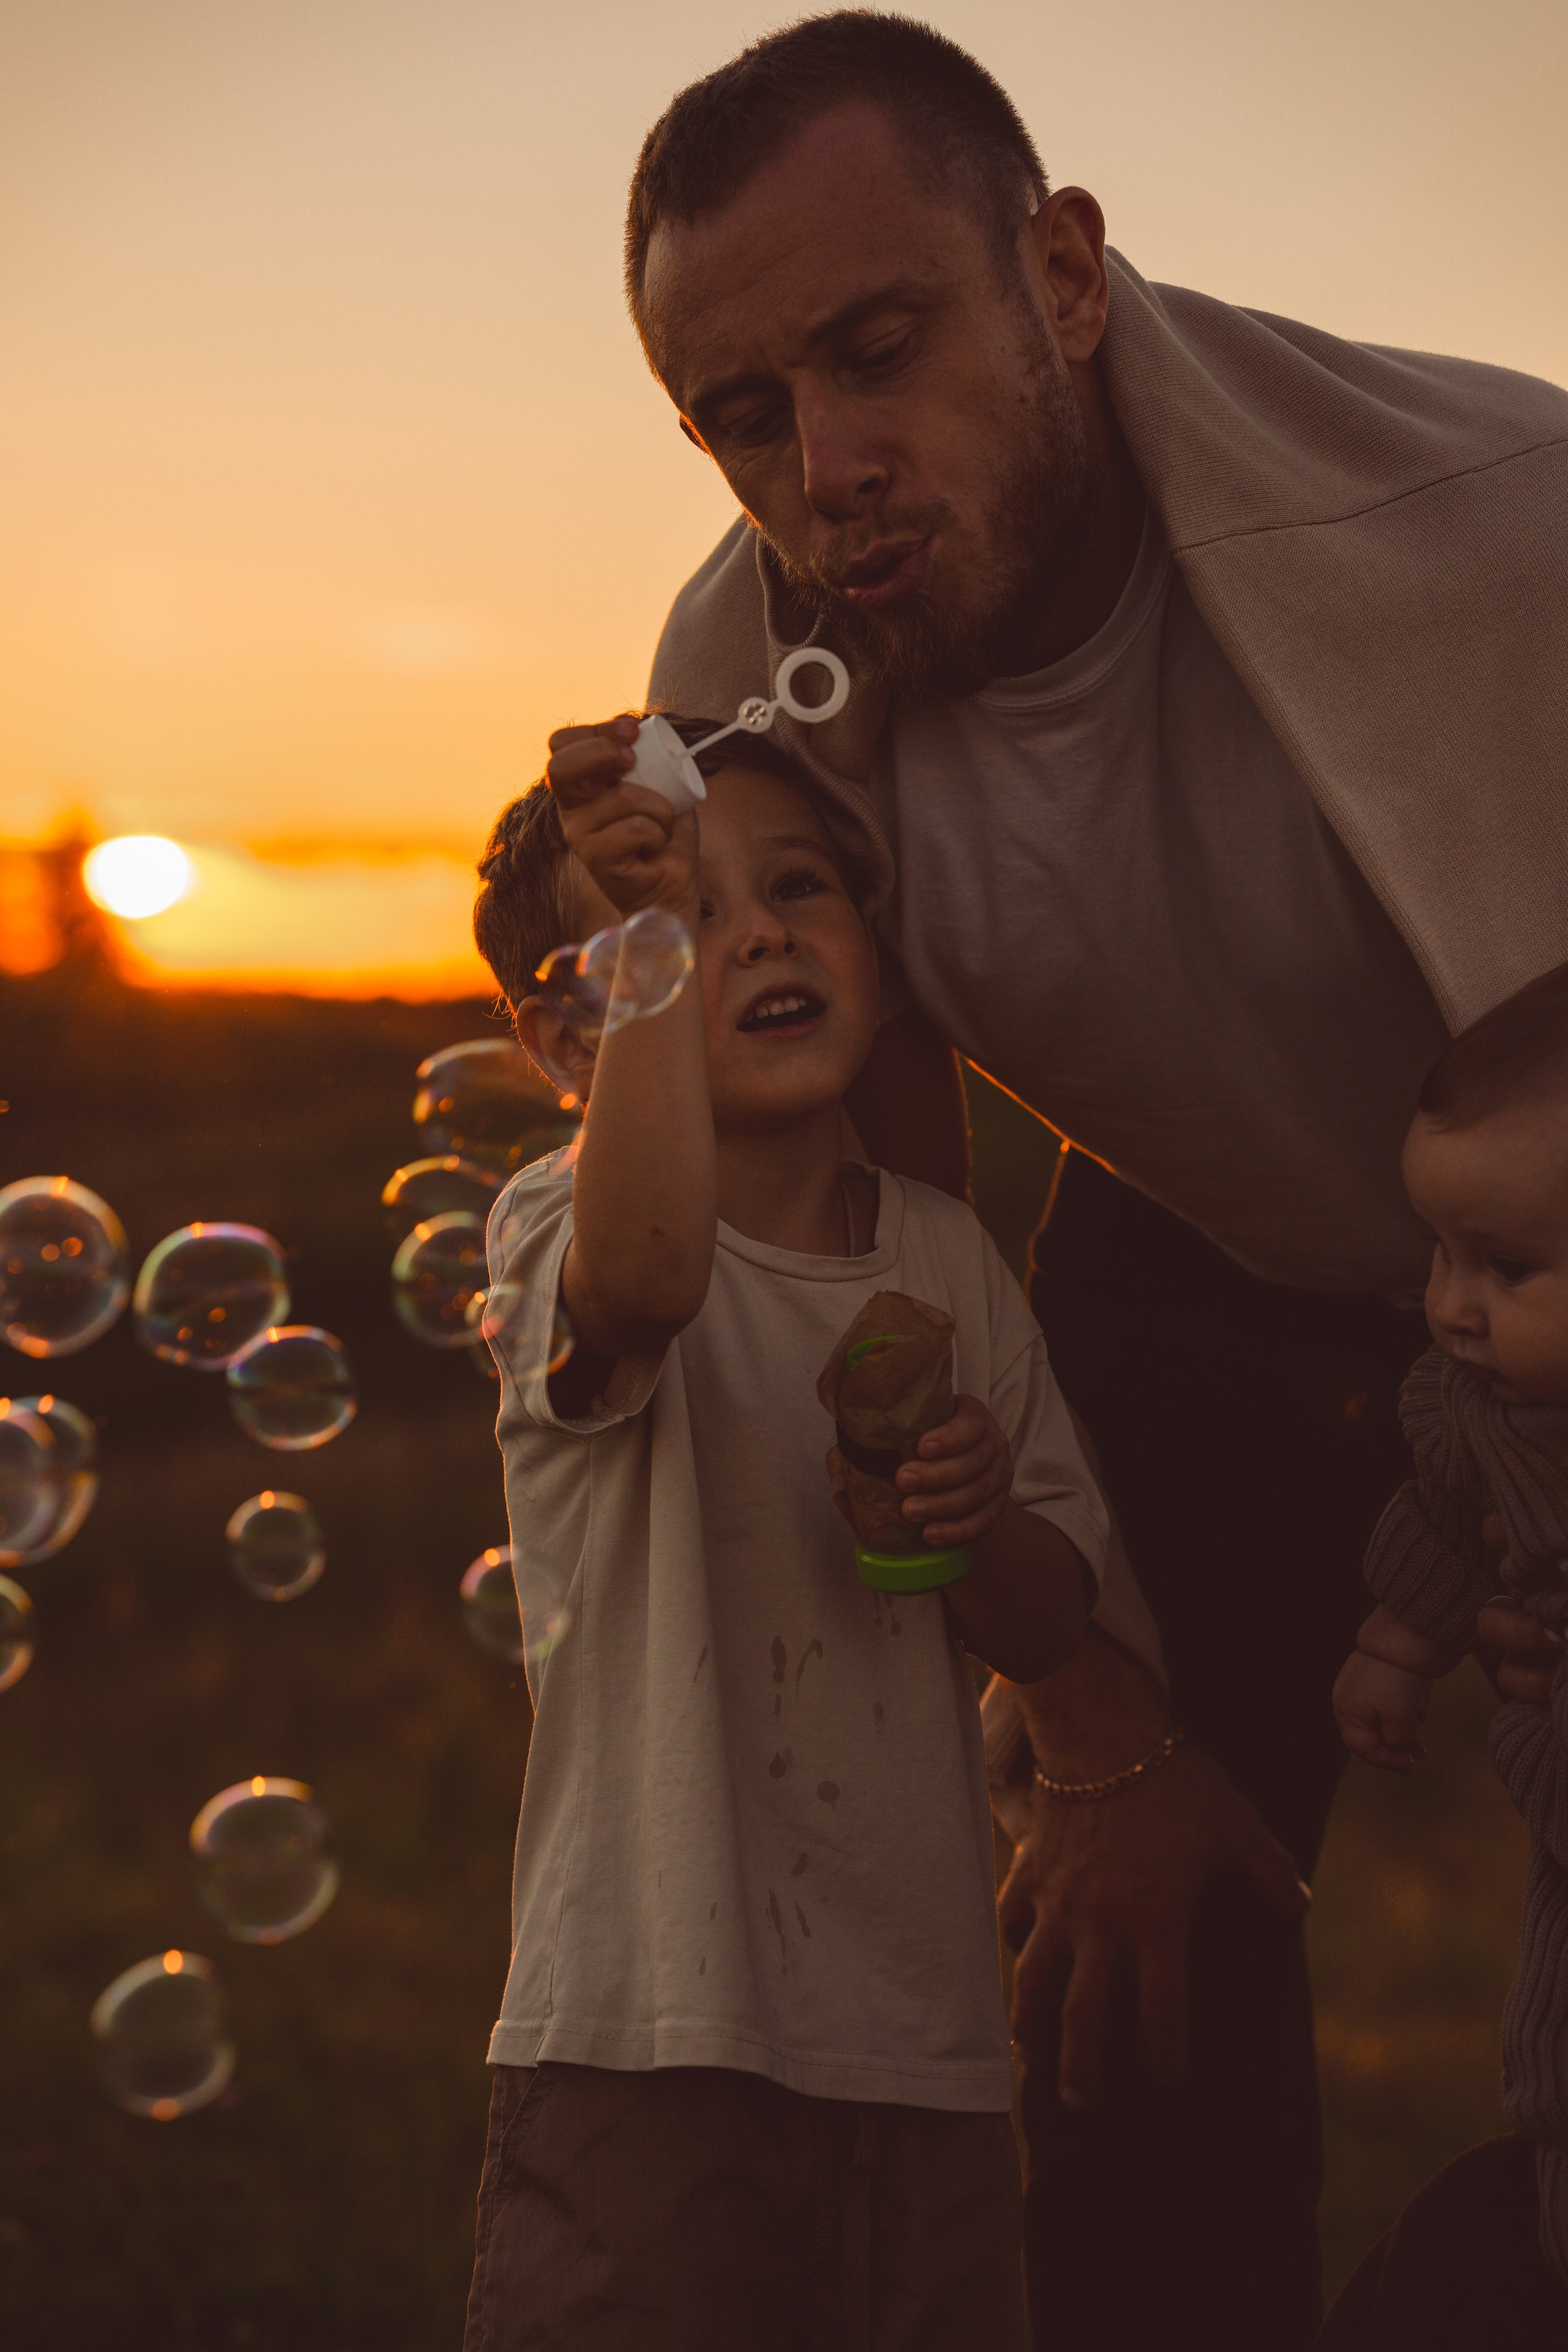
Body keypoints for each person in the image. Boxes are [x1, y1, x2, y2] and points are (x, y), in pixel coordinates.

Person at [627, 13, 1568, 2342]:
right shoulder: (744, 681)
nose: (825, 469)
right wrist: (1097, 1718)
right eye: (748, 415)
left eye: (879, 349)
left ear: (1059, 272)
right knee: (1108, 1995)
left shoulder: (1506, 526)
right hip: (1200, 1262)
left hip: (1561, 1258)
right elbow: (877, 1268)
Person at [462, 714, 1106, 2349]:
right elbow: (649, 1279)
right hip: (647, 2031)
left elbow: (1047, 1616)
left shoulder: (950, 1263)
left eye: (797, 884)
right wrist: (653, 951)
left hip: (928, 2049)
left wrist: (970, 1521)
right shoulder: (563, 1223)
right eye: (673, 915)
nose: (748, 929)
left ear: (881, 959)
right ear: (569, 1048)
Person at [1324, 963, 1568, 2346]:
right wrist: (1393, 1643)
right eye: (1437, 1254)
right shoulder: (1472, 1405)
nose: (1452, 1305)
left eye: (1506, 1269)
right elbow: (1439, 1519)